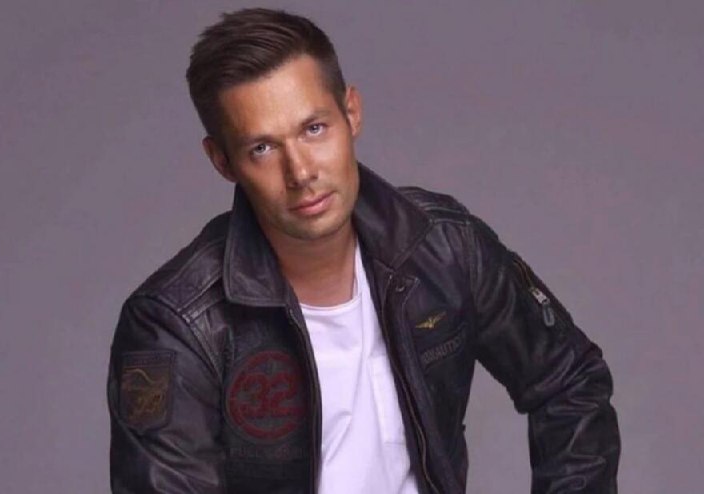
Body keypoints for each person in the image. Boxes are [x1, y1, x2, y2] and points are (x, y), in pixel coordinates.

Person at [107, 8, 620, 494]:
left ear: (351, 113)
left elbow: (570, 382)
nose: (301, 172)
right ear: (222, 161)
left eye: (314, 129)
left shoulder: (443, 247)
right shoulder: (175, 324)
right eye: (262, 148)